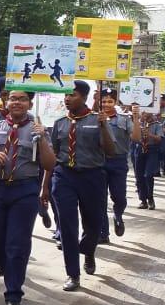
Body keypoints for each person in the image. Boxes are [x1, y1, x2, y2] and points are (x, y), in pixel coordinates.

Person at [0, 89, 54, 305]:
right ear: (6, 100)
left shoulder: (37, 128)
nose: (17, 102)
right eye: (13, 98)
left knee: (17, 245)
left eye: (22, 99)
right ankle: (9, 268)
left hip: (24, 190)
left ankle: (13, 294)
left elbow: (50, 163)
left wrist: (41, 138)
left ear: (30, 103)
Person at [49, 80, 115, 292]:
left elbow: (111, 150)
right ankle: (73, 274)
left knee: (93, 224)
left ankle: (88, 250)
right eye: (66, 95)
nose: (67, 99)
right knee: (67, 226)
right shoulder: (59, 123)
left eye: (72, 95)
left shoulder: (98, 120)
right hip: (64, 177)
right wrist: (45, 186)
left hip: (92, 177)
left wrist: (104, 126)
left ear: (85, 97)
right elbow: (54, 156)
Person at [98, 88, 136, 243]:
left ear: (115, 102)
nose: (106, 104)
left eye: (110, 101)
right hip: (99, 162)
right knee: (100, 199)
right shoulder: (94, 118)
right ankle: (103, 233)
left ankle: (118, 214)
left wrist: (137, 117)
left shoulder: (124, 119)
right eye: (104, 101)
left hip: (118, 161)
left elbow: (136, 137)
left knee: (119, 197)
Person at [131, 107, 162, 210]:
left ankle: (150, 198)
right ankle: (143, 200)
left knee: (148, 175)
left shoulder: (157, 124)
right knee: (139, 176)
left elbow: (159, 139)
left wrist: (149, 135)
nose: (144, 113)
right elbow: (133, 137)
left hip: (152, 150)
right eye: (142, 112)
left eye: (146, 112)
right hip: (139, 149)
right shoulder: (138, 124)